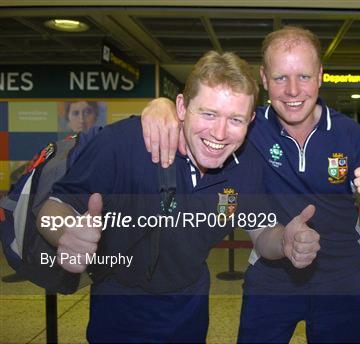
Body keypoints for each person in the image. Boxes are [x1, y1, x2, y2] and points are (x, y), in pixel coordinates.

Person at [141, 26, 360, 343]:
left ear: (320, 75)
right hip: (269, 277)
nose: (293, 90)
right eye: (280, 78)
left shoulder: (350, 135)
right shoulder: (247, 128)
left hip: (341, 282)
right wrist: (163, 106)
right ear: (264, 79)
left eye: (304, 77)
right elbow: (202, 123)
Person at [37, 51, 321, 343]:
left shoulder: (246, 165)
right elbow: (54, 207)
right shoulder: (124, 143)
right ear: (182, 107)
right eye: (209, 114)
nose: (220, 133)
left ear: (250, 120)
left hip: (190, 308)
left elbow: (261, 230)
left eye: (235, 119)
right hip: (119, 307)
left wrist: (284, 241)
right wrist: (65, 234)